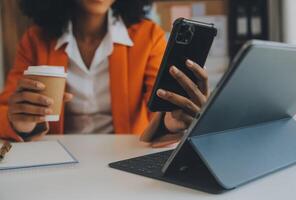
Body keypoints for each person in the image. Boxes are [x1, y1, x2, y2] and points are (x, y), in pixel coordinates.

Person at [0, 0, 210, 147]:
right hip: (56, 158)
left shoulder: (148, 36)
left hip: (121, 159)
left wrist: (170, 120)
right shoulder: (35, 39)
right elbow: (6, 108)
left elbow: (157, 104)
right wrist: (20, 122)